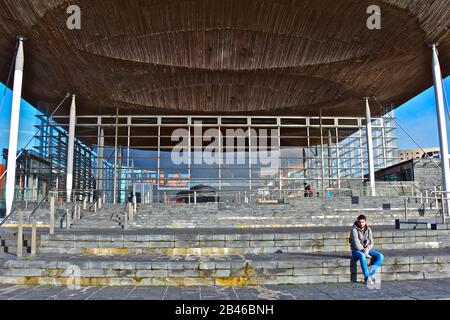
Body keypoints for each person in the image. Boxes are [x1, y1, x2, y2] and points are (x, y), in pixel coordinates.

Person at [349, 215, 384, 284]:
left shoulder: (368, 229)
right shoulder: (354, 230)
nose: (361, 223)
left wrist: (368, 249)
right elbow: (356, 243)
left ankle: (371, 274)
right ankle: (367, 277)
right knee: (362, 255)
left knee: (380, 256)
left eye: (362, 222)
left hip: (366, 250)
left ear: (365, 222)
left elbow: (371, 242)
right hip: (356, 251)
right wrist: (364, 252)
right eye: (359, 222)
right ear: (357, 222)